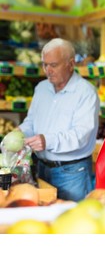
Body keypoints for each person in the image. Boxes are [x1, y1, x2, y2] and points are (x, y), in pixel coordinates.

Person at [18, 38, 100, 201]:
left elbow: (80, 135)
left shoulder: (86, 92)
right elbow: (31, 121)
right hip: (41, 168)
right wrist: (20, 132)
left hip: (71, 173)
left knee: (73, 220)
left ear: (70, 64)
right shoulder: (41, 88)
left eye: (53, 65)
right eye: (44, 64)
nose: (48, 70)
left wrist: (46, 140)